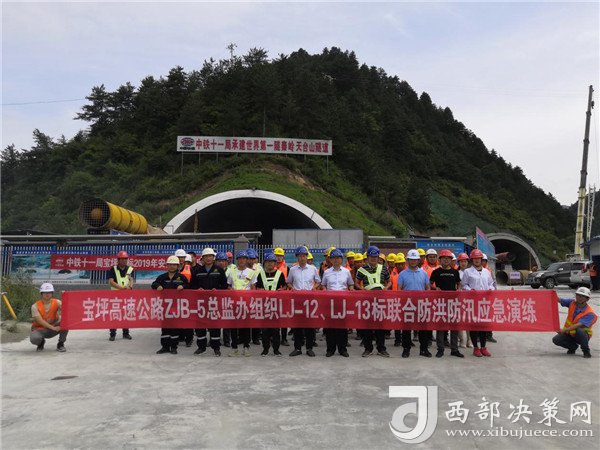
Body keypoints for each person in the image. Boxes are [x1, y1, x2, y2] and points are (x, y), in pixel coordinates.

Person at [189, 247, 227, 356]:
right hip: (201, 303)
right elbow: (192, 285)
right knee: (200, 326)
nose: (208, 258)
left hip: (215, 302)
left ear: (213, 257)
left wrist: (217, 289)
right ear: (203, 258)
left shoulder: (219, 270)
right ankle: (201, 347)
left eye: (210, 256)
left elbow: (224, 285)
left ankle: (216, 348)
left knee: (215, 326)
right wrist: (198, 289)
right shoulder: (197, 271)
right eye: (206, 256)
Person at [356, 245, 391, 357]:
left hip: (380, 300)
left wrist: (386, 288)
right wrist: (362, 289)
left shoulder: (383, 269)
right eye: (371, 257)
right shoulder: (361, 270)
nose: (374, 259)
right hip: (367, 300)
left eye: (375, 257)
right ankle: (368, 348)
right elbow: (356, 282)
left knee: (380, 325)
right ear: (367, 257)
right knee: (368, 325)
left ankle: (381, 348)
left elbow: (389, 281)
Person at [287, 246, 321, 357]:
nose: (302, 258)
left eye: (304, 256)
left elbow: (318, 281)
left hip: (309, 301)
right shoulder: (292, 270)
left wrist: (314, 287)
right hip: (297, 300)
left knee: (309, 326)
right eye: (300, 256)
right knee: (297, 326)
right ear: (297, 257)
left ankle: (309, 348)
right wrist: (292, 288)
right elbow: (289, 282)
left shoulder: (313, 269)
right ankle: (297, 348)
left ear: (307, 257)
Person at [461, 249, 496, 357]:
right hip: (473, 302)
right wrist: (470, 290)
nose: (477, 260)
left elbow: (491, 284)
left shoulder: (487, 272)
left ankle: (483, 347)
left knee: (483, 325)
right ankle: (476, 347)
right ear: (472, 260)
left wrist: (490, 289)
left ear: (482, 259)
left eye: (479, 258)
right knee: (474, 326)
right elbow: (464, 285)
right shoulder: (467, 272)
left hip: (484, 302)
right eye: (474, 259)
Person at [430, 249, 464, 358]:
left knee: (454, 326)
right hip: (440, 303)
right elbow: (430, 284)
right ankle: (440, 349)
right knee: (440, 326)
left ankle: (454, 349)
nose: (446, 260)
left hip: (453, 303)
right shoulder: (436, 272)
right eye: (443, 258)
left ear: (451, 260)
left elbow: (459, 283)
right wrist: (435, 288)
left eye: (448, 258)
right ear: (440, 260)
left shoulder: (455, 272)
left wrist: (458, 289)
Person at [398, 249, 431, 357]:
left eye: (415, 259)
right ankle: (406, 349)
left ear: (418, 260)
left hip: (421, 304)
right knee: (406, 328)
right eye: (411, 259)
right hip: (407, 304)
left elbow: (427, 288)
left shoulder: (424, 273)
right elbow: (399, 289)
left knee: (423, 328)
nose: (413, 261)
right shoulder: (402, 274)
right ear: (407, 260)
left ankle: (424, 349)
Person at [151, 255, 188, 354]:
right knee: (165, 328)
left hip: (176, 306)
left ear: (177, 265)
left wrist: (183, 286)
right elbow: (153, 284)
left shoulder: (181, 277)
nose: (172, 266)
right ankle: (165, 347)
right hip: (164, 306)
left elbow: (188, 286)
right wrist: (157, 286)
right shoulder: (162, 277)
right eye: (170, 264)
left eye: (174, 264)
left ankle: (174, 347)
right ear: (167, 265)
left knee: (174, 328)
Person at [322, 249, 354, 357]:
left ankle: (342, 349)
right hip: (330, 303)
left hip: (342, 302)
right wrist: (325, 291)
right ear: (330, 260)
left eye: (338, 258)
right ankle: (330, 349)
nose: (336, 260)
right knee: (330, 327)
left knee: (342, 327)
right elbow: (323, 285)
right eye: (333, 258)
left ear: (342, 259)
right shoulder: (326, 272)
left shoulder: (346, 272)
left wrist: (351, 290)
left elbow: (350, 284)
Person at [255, 253, 287, 356]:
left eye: (272, 262)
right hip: (264, 306)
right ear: (265, 263)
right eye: (268, 262)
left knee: (276, 329)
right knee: (265, 329)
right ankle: (265, 349)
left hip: (276, 305)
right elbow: (257, 288)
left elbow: (284, 287)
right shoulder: (260, 274)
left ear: (275, 263)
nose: (270, 264)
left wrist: (282, 290)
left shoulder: (280, 274)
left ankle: (276, 349)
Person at [227, 250, 257, 356]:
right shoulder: (232, 272)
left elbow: (253, 287)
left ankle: (246, 347)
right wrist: (232, 291)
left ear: (247, 260)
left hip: (246, 303)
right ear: (237, 260)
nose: (242, 260)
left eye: (244, 258)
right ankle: (234, 348)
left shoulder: (251, 272)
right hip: (234, 302)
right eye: (239, 258)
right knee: (233, 326)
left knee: (246, 326)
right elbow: (229, 285)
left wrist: (252, 300)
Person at [552, 287, 596, 358]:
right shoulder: (572, 303)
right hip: (570, 334)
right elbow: (558, 300)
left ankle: (586, 351)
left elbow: (578, 325)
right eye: (578, 295)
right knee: (556, 340)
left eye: (583, 296)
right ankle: (572, 347)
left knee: (580, 330)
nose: (580, 298)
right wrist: (553, 293)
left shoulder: (590, 313)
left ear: (587, 299)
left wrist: (564, 330)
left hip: (582, 337)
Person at [30, 283, 68, 352]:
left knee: (66, 323)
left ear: (52, 293)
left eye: (49, 292)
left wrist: (64, 297)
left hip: (54, 326)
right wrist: (53, 328)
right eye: (45, 292)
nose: (47, 294)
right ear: (41, 293)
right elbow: (40, 321)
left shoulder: (57, 302)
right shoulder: (35, 306)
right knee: (34, 339)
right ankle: (41, 343)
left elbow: (67, 309)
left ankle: (60, 344)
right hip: (40, 329)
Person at [107, 250, 133, 341]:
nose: (124, 261)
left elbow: (131, 279)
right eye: (122, 259)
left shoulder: (130, 269)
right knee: (114, 314)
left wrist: (130, 286)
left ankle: (126, 333)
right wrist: (122, 288)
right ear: (118, 260)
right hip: (115, 297)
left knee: (126, 314)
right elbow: (111, 282)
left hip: (126, 296)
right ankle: (112, 334)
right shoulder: (113, 269)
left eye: (125, 259)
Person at [456, 252, 472, 348]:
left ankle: (469, 341)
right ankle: (461, 340)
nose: (463, 263)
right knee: (460, 320)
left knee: (469, 321)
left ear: (467, 262)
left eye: (465, 261)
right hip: (459, 299)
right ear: (459, 262)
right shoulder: (456, 273)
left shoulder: (471, 272)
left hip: (469, 300)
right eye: (461, 261)